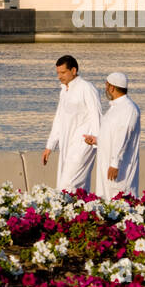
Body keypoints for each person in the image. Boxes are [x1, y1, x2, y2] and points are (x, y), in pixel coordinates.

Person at [42, 55, 102, 192]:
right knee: (77, 187)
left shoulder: (86, 88)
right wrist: (49, 146)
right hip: (67, 144)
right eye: (58, 73)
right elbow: (59, 119)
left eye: (63, 72)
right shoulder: (64, 91)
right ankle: (82, 211)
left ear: (73, 70)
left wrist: (98, 140)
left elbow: (96, 115)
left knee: (68, 185)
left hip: (84, 143)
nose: (59, 77)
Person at [84, 71, 140, 201]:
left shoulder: (128, 109)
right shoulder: (114, 108)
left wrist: (115, 164)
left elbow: (123, 137)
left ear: (112, 87)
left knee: (121, 202)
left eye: (106, 85)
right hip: (107, 167)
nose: (106, 88)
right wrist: (97, 141)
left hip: (119, 169)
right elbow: (112, 135)